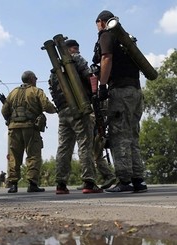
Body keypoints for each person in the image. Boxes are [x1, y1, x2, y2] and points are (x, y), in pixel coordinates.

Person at [92, 10, 147, 193]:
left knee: (119, 134)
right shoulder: (126, 39)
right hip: (136, 91)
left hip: (120, 91)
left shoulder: (107, 34)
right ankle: (138, 179)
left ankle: (124, 180)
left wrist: (102, 85)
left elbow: (106, 57)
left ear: (100, 22)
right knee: (132, 135)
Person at [49, 39, 102, 194]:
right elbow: (89, 76)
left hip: (63, 112)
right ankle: (89, 182)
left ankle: (60, 184)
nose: (77, 50)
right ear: (72, 49)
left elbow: (53, 91)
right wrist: (94, 94)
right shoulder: (77, 59)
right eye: (75, 48)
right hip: (79, 108)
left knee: (64, 147)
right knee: (85, 144)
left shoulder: (55, 69)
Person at [1, 70, 57, 193]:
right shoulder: (36, 91)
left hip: (14, 128)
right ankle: (32, 184)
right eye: (35, 78)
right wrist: (56, 109)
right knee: (33, 155)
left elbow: (4, 110)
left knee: (14, 156)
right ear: (31, 79)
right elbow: (47, 106)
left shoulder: (13, 92)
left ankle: (13, 184)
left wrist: (10, 120)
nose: (36, 80)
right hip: (30, 128)